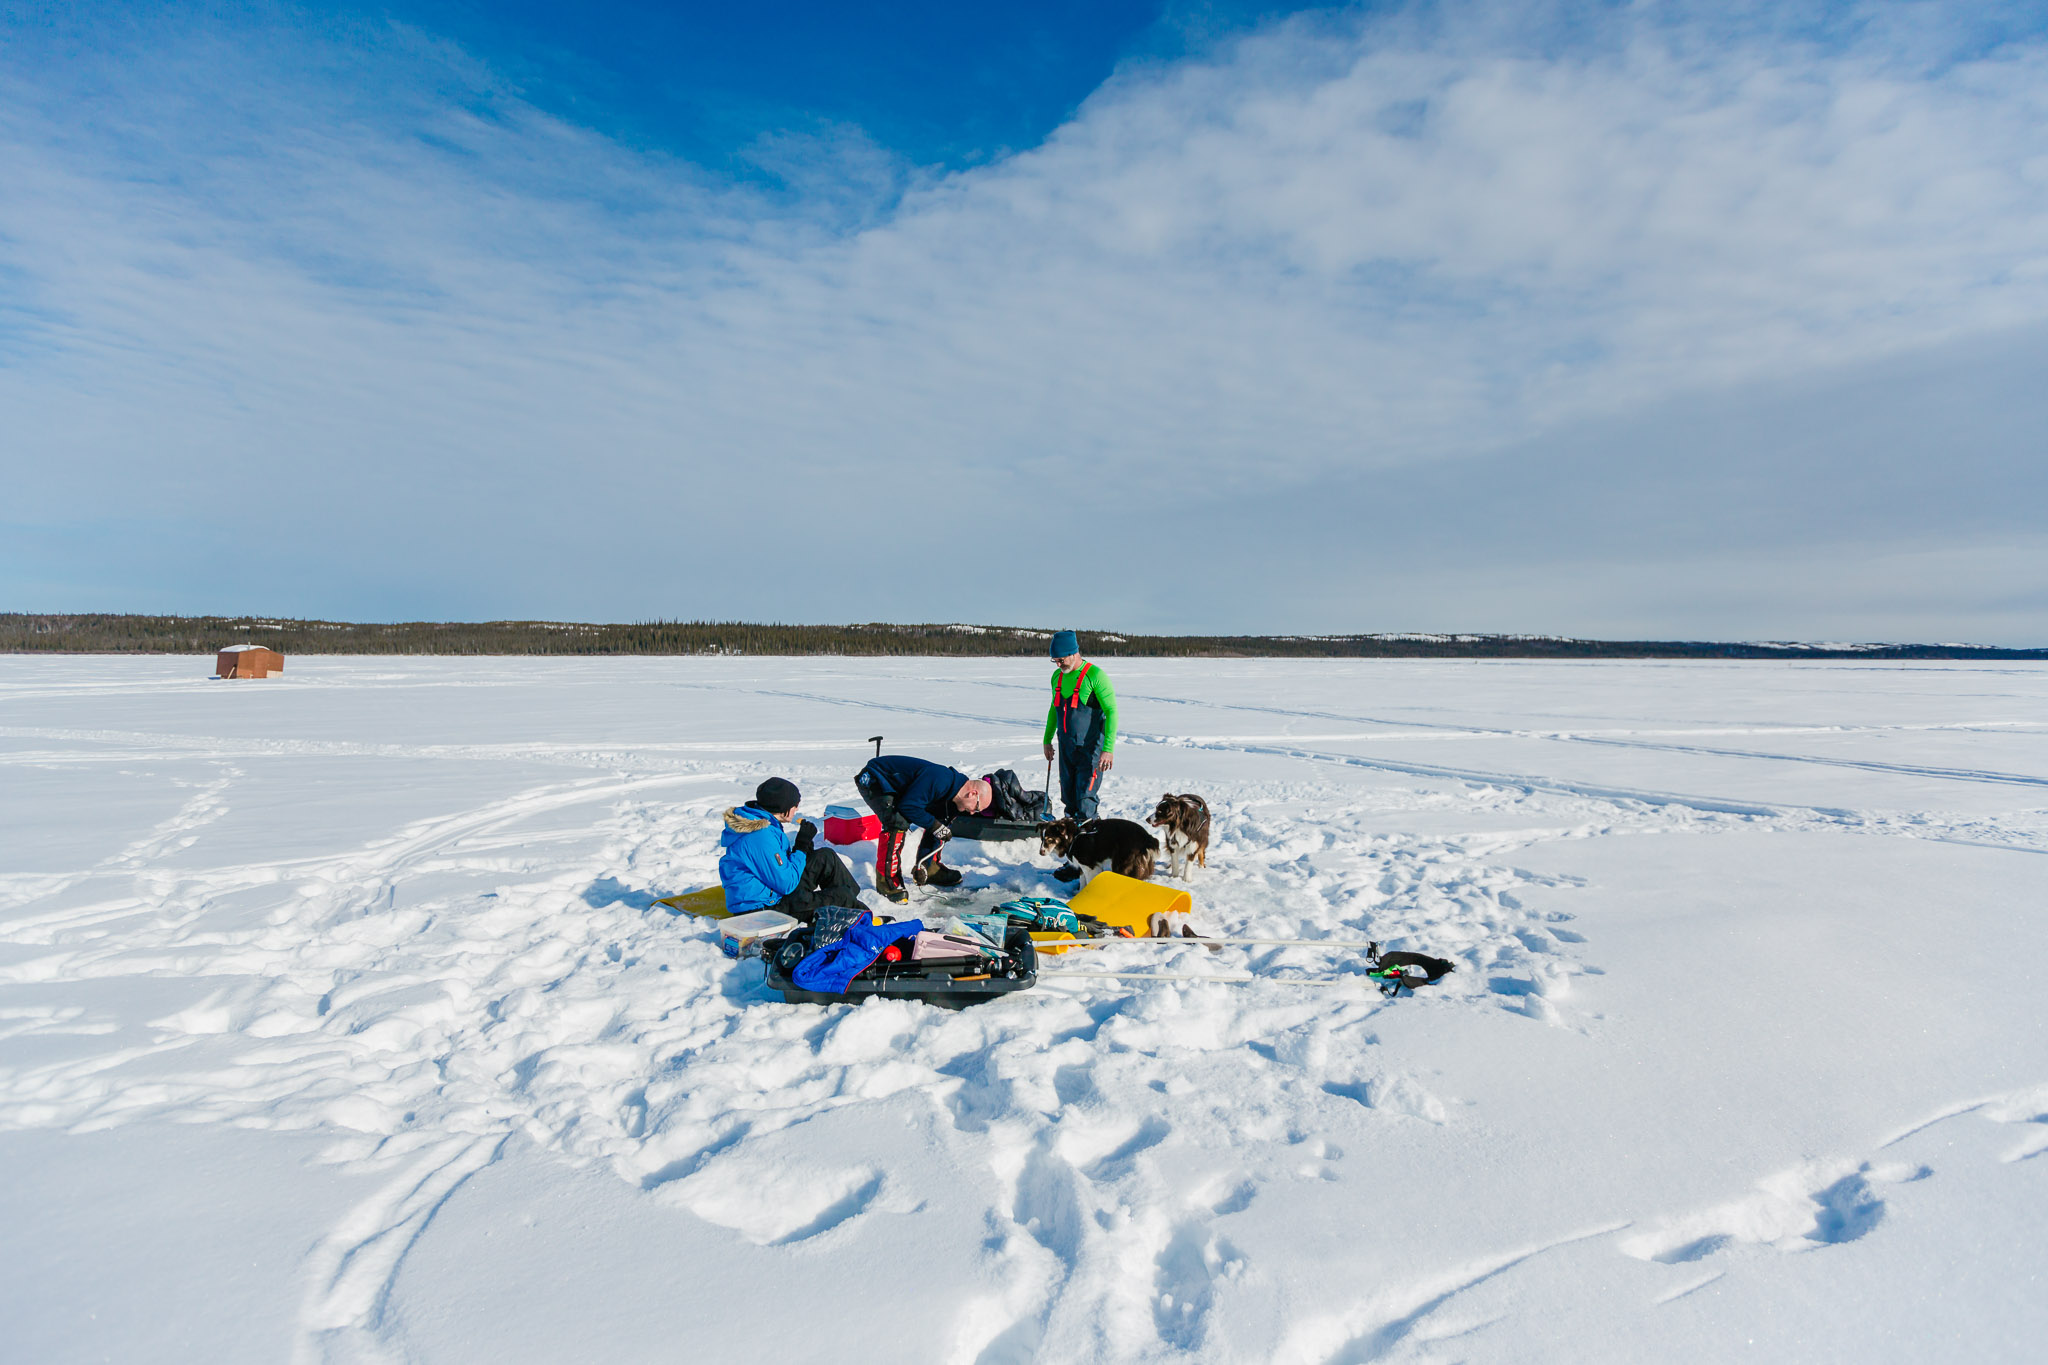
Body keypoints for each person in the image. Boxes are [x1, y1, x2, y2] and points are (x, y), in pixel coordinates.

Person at [718, 777, 863, 923]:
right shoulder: (760, 836)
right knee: (841, 896)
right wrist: (801, 846)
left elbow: (780, 868)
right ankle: (858, 914)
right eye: (794, 805)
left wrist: (805, 847)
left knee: (825, 857)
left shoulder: (762, 822)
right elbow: (786, 883)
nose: (797, 809)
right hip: (762, 911)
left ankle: (855, 909)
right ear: (783, 808)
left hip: (772, 892)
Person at [854, 755, 993, 903]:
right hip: (876, 778)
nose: (972, 812)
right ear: (973, 794)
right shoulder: (940, 780)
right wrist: (934, 826)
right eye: (976, 808)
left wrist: (924, 864)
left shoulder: (954, 790)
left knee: (943, 818)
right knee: (897, 822)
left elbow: (936, 820)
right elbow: (908, 806)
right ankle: (886, 882)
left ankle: (930, 868)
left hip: (900, 787)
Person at [1041, 631, 1117, 878]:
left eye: (1061, 659)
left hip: (1091, 751)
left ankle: (1091, 859)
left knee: (1085, 802)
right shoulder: (1057, 677)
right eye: (1055, 660)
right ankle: (1075, 860)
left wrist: (1108, 748)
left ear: (1074, 653)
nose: (1058, 664)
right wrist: (1047, 740)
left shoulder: (1095, 676)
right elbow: (1054, 710)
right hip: (1066, 749)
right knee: (1070, 802)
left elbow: (1112, 712)